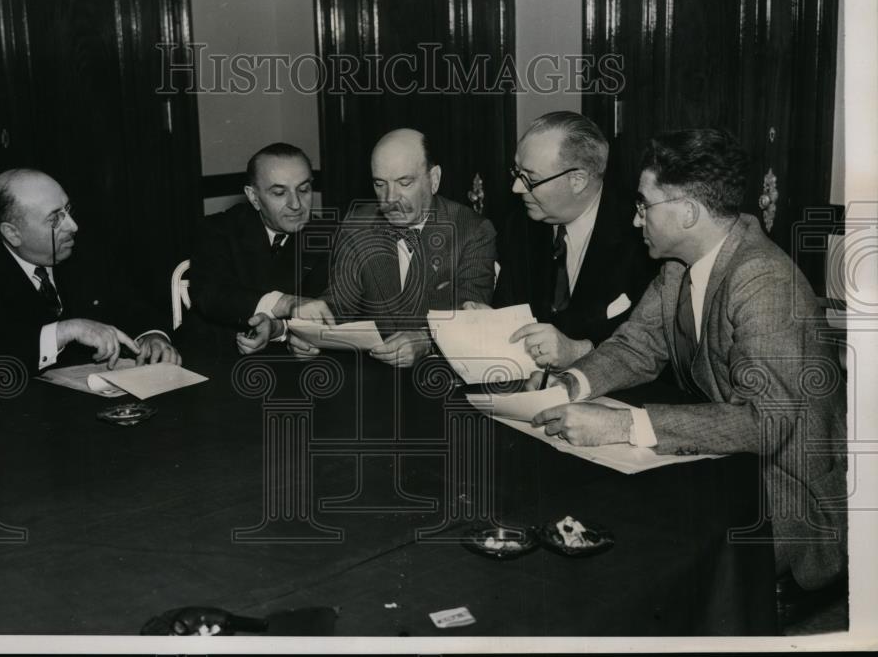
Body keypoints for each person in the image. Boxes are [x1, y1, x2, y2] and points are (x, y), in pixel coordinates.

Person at [527, 128, 846, 591]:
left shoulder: (763, 279)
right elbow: (636, 346)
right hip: (729, 466)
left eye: (644, 205)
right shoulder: (678, 267)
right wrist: (570, 385)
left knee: (644, 557)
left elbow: (766, 422)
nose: (636, 221)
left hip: (790, 493)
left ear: (688, 213)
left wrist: (619, 425)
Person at [0, 168, 180, 374]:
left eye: (68, 210)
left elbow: (134, 305)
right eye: (54, 219)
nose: (73, 226)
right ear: (12, 233)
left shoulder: (84, 251)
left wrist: (151, 336)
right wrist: (65, 331)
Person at [295, 128, 497, 367]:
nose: (390, 198)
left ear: (434, 179)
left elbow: (472, 318)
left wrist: (426, 340)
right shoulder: (356, 224)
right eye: (380, 184)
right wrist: (311, 329)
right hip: (373, 376)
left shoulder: (473, 231)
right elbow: (340, 302)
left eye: (404, 182)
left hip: (442, 375)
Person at [490, 111, 655, 370]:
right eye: (516, 172)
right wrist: (487, 325)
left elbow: (655, 349)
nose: (516, 188)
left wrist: (581, 351)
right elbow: (509, 312)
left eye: (530, 179)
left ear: (577, 180)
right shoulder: (518, 226)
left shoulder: (642, 236)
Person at [186, 143, 332, 355]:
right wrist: (285, 303)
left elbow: (333, 308)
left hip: (288, 361)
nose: (296, 204)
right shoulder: (218, 230)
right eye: (280, 193)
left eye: (303, 189)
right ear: (254, 197)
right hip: (215, 353)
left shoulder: (326, 236)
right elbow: (212, 293)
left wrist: (281, 330)